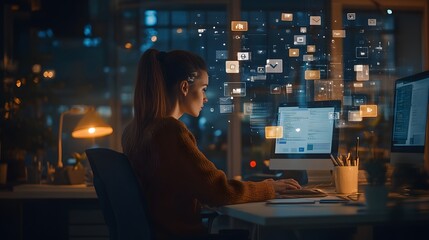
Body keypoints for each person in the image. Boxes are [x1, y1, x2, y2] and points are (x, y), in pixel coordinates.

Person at [122, 48, 301, 239]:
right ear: (184, 87)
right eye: (203, 89)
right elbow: (219, 191)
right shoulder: (171, 131)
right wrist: (269, 188)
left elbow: (172, 188)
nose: (206, 98)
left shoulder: (135, 131)